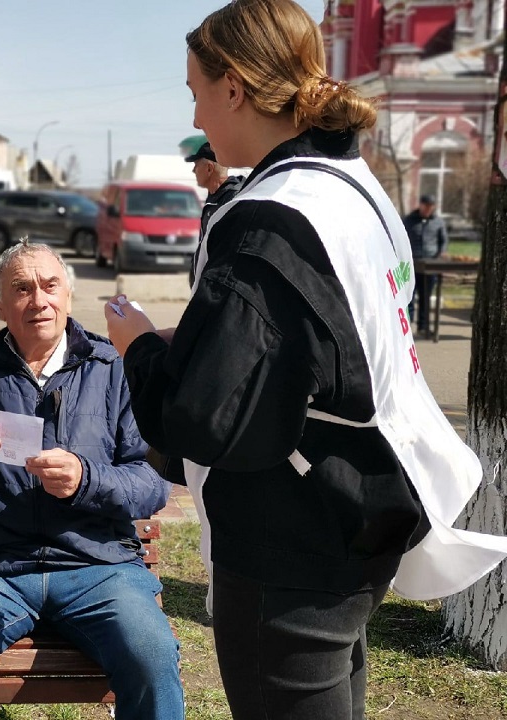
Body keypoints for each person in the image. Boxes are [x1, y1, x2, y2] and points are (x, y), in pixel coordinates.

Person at [105, 1, 507, 718]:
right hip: (358, 508)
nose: (194, 105)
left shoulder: (272, 217)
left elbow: (199, 419)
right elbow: (315, 343)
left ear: (234, 88)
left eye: (195, 86)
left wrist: (137, 344)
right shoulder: (348, 184)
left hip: (290, 540)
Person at [0, 240, 183, 720]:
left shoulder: (115, 372)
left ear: (68, 296)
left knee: (150, 650)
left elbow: (152, 484)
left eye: (50, 285)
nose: (39, 300)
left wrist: (86, 479)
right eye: (21, 288)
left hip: (98, 564)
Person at [184, 141, 245, 282]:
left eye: (196, 165)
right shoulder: (216, 196)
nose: (193, 171)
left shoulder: (232, 200)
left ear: (209, 169)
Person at [404, 193, 448, 336]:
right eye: (426, 206)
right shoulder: (409, 220)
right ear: (421, 205)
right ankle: (408, 327)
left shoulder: (438, 222)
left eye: (431, 207)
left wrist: (441, 253)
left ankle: (423, 327)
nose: (428, 209)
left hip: (431, 265)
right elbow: (402, 238)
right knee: (409, 297)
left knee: (425, 297)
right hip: (412, 264)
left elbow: (443, 241)